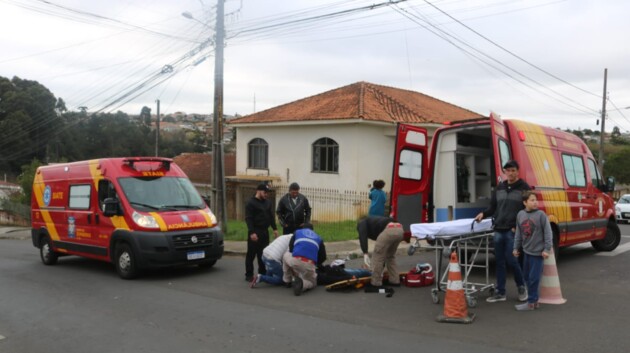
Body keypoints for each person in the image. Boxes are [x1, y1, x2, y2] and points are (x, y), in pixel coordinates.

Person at [475, 159, 530, 303]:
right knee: (499, 262)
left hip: (512, 231)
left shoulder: (524, 187)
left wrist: (518, 227)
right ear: (504, 172)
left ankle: (521, 287)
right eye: (508, 170)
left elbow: (528, 209)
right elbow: (493, 207)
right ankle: (500, 292)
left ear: (517, 171)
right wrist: (483, 214)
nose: (510, 173)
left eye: (513, 170)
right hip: (498, 229)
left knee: (512, 260)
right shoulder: (499, 188)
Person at [513, 191, 552, 311]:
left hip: (538, 253)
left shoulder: (541, 215)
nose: (535, 202)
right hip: (526, 252)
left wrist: (546, 249)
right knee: (526, 277)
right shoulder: (520, 214)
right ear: (525, 202)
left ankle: (531, 302)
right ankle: (534, 301)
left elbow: (548, 233)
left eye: (536, 200)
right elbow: (518, 233)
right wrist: (515, 247)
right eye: (532, 200)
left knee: (534, 278)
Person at [357, 215, 411, 290]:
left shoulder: (362, 223)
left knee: (378, 256)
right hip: (400, 228)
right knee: (390, 256)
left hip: (389, 230)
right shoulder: (373, 220)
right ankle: (395, 280)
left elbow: (362, 237)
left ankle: (375, 283)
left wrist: (365, 253)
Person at [244, 183, 278, 282]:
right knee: (251, 254)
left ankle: (262, 273)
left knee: (263, 254)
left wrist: (274, 229)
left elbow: (271, 216)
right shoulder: (250, 203)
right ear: (258, 191)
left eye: (268, 193)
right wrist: (252, 232)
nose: (266, 194)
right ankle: (249, 274)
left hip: (264, 232)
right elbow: (248, 219)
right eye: (265, 192)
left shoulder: (268, 202)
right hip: (255, 231)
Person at [282, 224, 326, 296]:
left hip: (296, 261)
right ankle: (302, 284)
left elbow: (291, 248)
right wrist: (315, 264)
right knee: (313, 283)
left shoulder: (297, 232)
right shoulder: (319, 238)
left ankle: (287, 281)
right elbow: (323, 257)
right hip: (310, 265)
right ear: (312, 230)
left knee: (285, 255)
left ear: (303, 228)